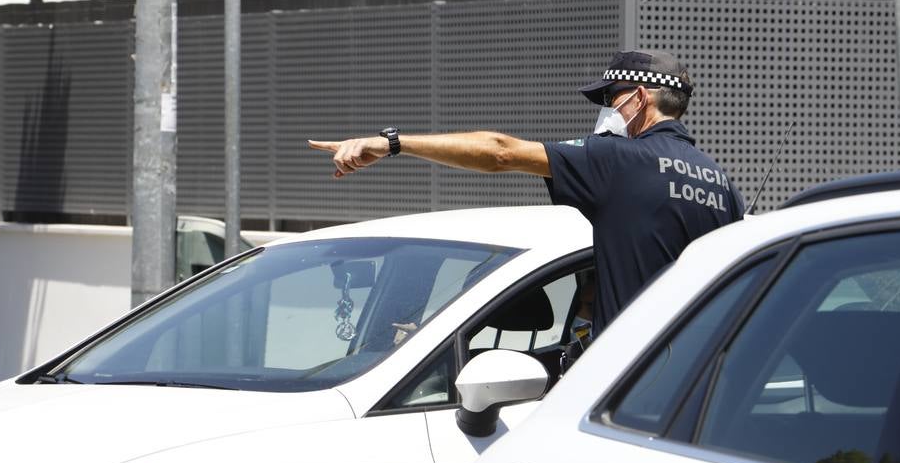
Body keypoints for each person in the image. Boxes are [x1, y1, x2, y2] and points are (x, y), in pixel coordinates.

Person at [308, 50, 744, 334]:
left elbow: (499, 152)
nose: (607, 110)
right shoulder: (721, 184)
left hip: (628, 377)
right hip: (697, 377)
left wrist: (392, 143)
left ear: (640, 98)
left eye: (611, 98)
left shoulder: (618, 161)